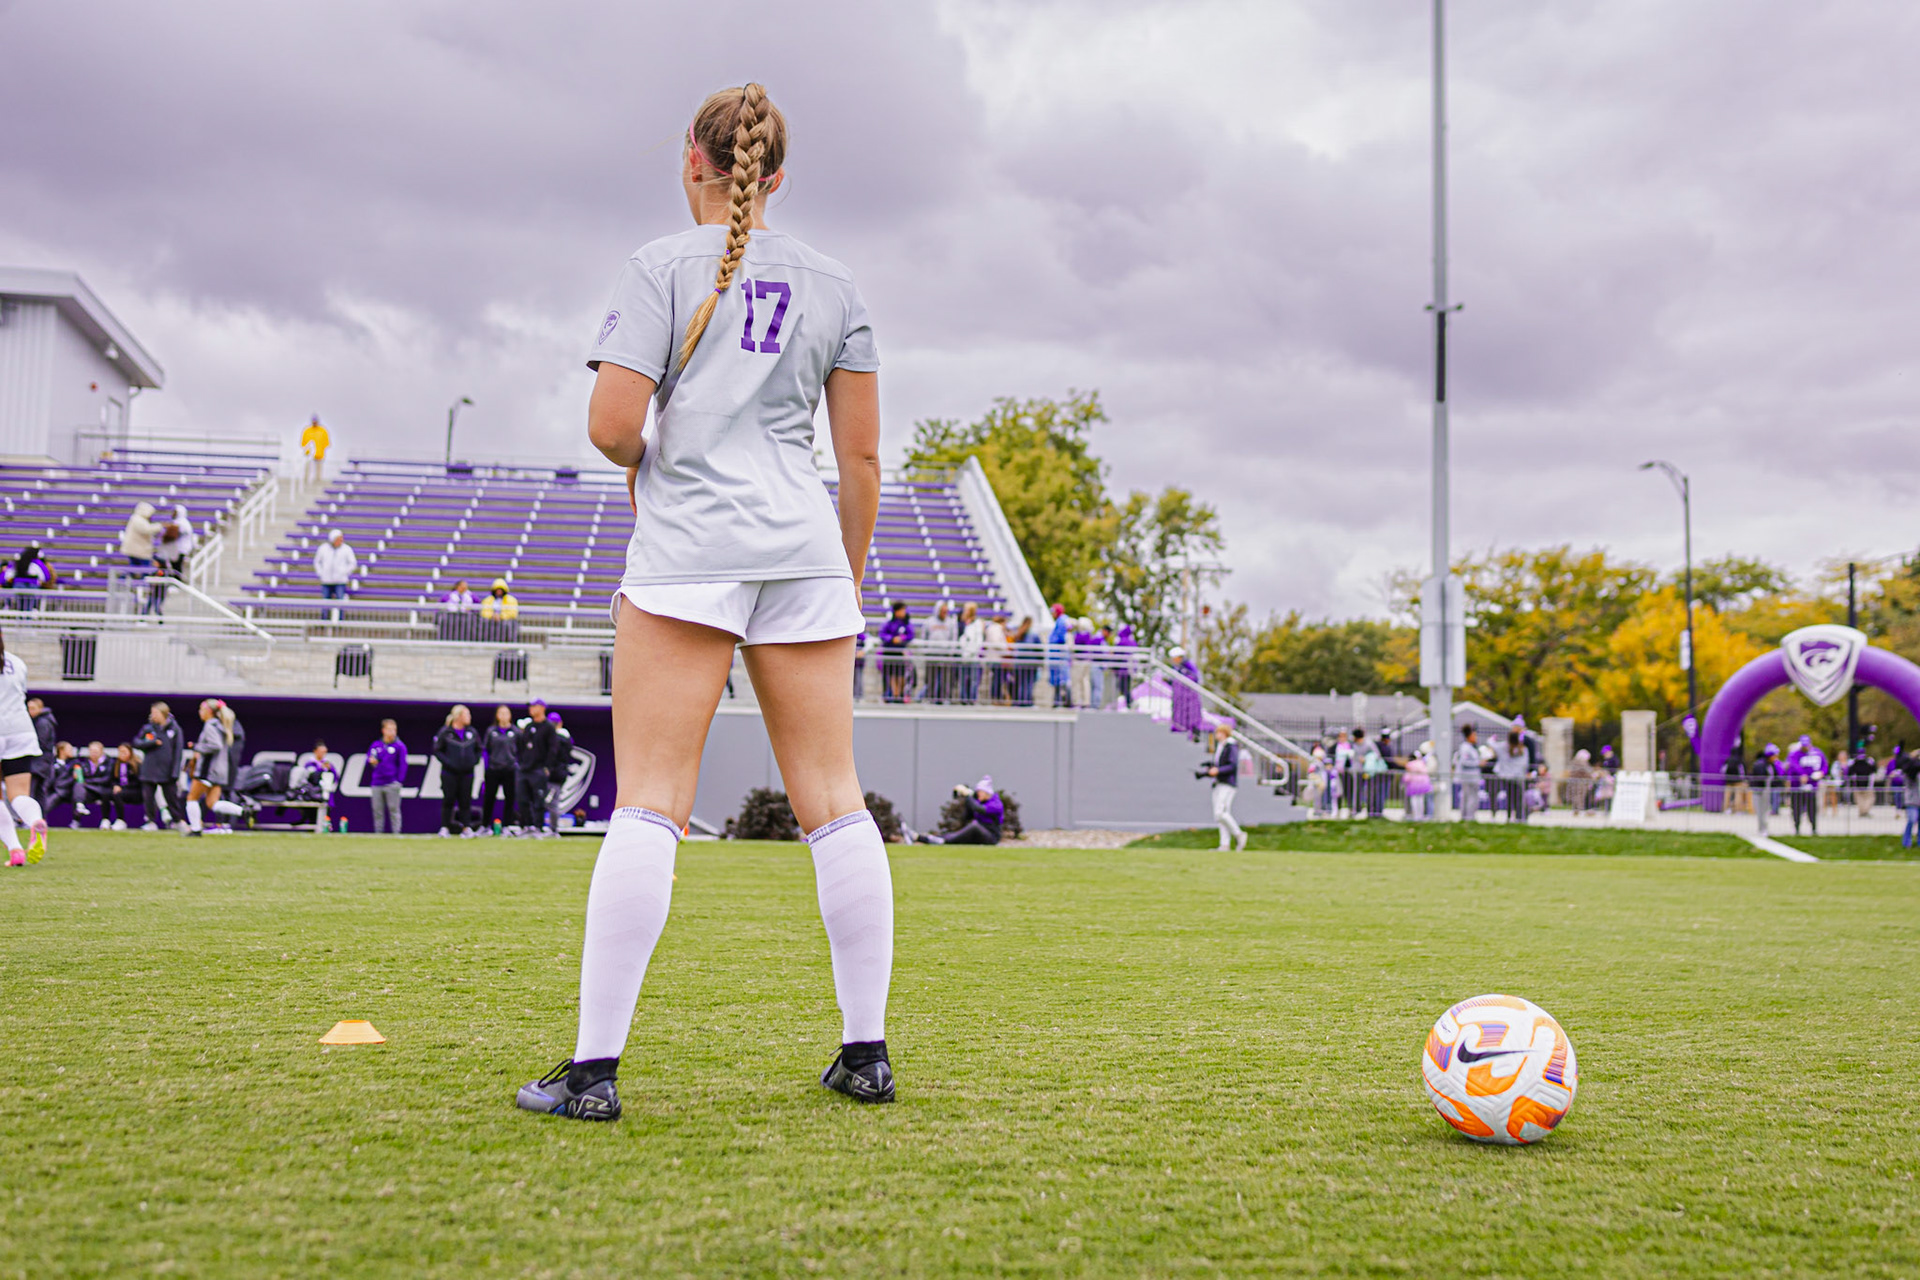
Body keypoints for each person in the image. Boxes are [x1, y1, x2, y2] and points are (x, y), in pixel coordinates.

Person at [515, 83, 894, 1122]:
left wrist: (654, 459)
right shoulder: (837, 282)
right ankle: (866, 1053)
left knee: (650, 801)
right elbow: (858, 457)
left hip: (689, 549)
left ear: (692, 158)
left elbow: (608, 423)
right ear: (777, 174)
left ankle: (594, 1070)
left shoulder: (658, 267)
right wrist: (843, 575)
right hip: (805, 552)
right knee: (836, 799)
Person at [0, 629, 49, 865]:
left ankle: (15, 848)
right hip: (21, 731)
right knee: (19, 793)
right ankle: (35, 821)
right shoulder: (17, 663)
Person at [183, 699, 237, 837]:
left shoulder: (210, 726)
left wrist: (197, 747)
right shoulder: (219, 725)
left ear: (209, 711)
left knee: (191, 798)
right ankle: (244, 811)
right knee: (212, 803)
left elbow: (215, 745)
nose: (199, 712)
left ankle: (195, 829)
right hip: (217, 771)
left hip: (208, 770)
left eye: (201, 709)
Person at [133, 701, 184, 830]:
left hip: (167, 771)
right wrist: (151, 743)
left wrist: (175, 772)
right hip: (149, 770)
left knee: (171, 798)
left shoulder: (175, 729)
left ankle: (177, 821)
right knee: (148, 797)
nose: (152, 715)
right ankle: (150, 821)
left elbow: (178, 752)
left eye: (155, 713)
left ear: (163, 713)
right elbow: (137, 742)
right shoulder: (148, 728)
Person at [513, 699, 562, 837]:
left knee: (539, 800)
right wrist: (522, 763)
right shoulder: (529, 727)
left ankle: (538, 827)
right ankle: (526, 826)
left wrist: (547, 767)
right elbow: (522, 747)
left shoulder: (549, 727)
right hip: (525, 769)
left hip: (539, 769)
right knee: (522, 799)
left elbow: (553, 749)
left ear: (542, 708)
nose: (531, 709)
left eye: (534, 706)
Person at [914, 777, 1005, 845]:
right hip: (979, 834)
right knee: (954, 834)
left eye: (980, 791)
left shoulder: (996, 804)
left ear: (986, 792)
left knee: (974, 826)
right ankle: (922, 838)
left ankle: (943, 841)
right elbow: (967, 816)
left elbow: (980, 809)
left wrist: (968, 796)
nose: (978, 794)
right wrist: (967, 798)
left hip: (991, 837)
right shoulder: (978, 801)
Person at [433, 705, 479, 836]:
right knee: (448, 800)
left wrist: (473, 762)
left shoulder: (472, 733)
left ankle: (466, 827)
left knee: (466, 801)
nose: (469, 717)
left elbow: (479, 749)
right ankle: (445, 827)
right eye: (467, 714)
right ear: (458, 716)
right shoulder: (446, 733)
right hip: (449, 773)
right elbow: (437, 750)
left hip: (467, 773)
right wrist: (449, 763)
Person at [1204, 724, 1247, 851]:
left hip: (1227, 783)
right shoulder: (1221, 747)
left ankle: (1239, 834)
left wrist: (1218, 770)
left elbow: (1232, 765)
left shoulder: (1230, 746)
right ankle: (1224, 844)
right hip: (1218, 783)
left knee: (1220, 812)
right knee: (1221, 815)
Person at [479, 705, 519, 832]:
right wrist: (487, 767)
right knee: (489, 798)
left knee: (510, 798)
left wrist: (515, 764)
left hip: (510, 770)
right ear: (497, 715)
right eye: (501, 713)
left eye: (506, 713)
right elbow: (486, 750)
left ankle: (507, 826)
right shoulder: (491, 731)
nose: (503, 716)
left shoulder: (515, 732)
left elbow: (521, 751)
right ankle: (485, 826)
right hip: (493, 769)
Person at [150, 506, 195, 615]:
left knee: (177, 566)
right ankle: (174, 583)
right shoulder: (178, 522)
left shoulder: (182, 523)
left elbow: (175, 533)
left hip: (181, 548)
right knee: (174, 565)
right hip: (176, 549)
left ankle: (177, 583)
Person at [366, 718, 408, 835]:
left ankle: (396, 834)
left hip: (392, 783)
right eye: (390, 730)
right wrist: (372, 761)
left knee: (394, 810)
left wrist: (399, 781)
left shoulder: (399, 746)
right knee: (377, 811)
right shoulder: (376, 745)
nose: (392, 733)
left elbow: (403, 765)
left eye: (394, 730)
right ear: (383, 730)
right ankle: (378, 834)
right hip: (377, 783)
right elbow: (369, 758)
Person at [293, 741, 342, 828]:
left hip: (324, 796)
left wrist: (330, 770)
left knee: (325, 819)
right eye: (321, 751)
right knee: (312, 819)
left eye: (325, 752)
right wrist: (319, 770)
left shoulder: (328, 764)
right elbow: (306, 779)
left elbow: (335, 779)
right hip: (312, 795)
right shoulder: (309, 764)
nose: (323, 754)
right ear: (315, 751)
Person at [1785, 734, 1825, 836]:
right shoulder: (1794, 754)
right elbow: (1793, 766)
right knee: (1797, 809)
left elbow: (1824, 766)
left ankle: (1814, 828)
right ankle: (1797, 828)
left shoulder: (1817, 753)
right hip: (1797, 787)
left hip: (1812, 787)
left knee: (1812, 809)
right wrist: (1801, 774)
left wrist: (1821, 773)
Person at [313, 529, 357, 618]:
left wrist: (344, 572)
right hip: (326, 580)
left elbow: (352, 563)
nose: (340, 541)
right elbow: (317, 562)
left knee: (340, 602)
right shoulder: (323, 548)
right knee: (325, 602)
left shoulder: (346, 549)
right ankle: (324, 620)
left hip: (340, 581)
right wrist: (321, 573)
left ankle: (340, 620)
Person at [1492, 727, 1532, 823]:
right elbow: (1525, 764)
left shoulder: (1504, 748)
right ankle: (1519, 817)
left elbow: (1492, 744)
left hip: (1508, 778)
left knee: (1510, 799)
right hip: (1518, 778)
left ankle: (1510, 817)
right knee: (1518, 798)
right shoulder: (1523, 750)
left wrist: (1493, 739)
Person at [1, 543, 54, 612]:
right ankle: (27, 620)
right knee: (29, 606)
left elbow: (6, 575)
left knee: (20, 606)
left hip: (18, 584)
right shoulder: (37, 562)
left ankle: (20, 619)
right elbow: (46, 576)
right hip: (32, 585)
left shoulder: (18, 561)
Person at [878, 601, 912, 704]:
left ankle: (899, 696)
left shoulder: (906, 624)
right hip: (889, 653)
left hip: (900, 653)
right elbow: (882, 634)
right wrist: (892, 639)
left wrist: (902, 638)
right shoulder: (889, 623)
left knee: (900, 676)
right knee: (889, 675)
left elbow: (910, 635)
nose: (904, 612)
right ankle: (890, 695)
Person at [26, 696, 56, 810]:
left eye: (32, 708)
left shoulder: (43, 722)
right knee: (39, 792)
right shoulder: (45, 721)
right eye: (28, 708)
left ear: (40, 708)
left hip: (38, 763)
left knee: (33, 791)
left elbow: (40, 742)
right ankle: (40, 819)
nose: (30, 711)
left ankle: (31, 818)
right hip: (42, 762)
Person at [924, 600, 956, 703]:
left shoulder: (951, 622)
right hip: (932, 654)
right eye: (942, 611)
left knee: (945, 679)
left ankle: (944, 698)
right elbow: (924, 636)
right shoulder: (929, 622)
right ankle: (931, 698)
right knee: (931, 678)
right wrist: (926, 650)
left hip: (945, 654)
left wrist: (951, 652)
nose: (944, 613)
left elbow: (953, 638)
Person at [1168, 646, 1203, 740]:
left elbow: (1195, 678)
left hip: (1190, 697)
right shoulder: (1176, 667)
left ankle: (1193, 732)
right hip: (1180, 698)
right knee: (1179, 712)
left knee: (1191, 714)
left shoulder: (1189, 666)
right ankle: (1178, 726)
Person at [956, 602, 985, 705]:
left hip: (973, 656)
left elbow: (978, 641)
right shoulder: (962, 623)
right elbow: (962, 639)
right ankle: (964, 699)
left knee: (973, 680)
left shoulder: (977, 623)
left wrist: (971, 651)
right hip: (964, 656)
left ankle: (972, 699)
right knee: (963, 679)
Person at [1454, 725, 1483, 821]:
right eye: (1474, 735)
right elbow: (1464, 762)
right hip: (1468, 778)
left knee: (1471, 798)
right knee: (1469, 798)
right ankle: (1468, 817)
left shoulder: (1471, 747)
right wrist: (1478, 763)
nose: (1476, 737)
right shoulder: (1465, 748)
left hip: (1473, 778)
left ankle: (1469, 816)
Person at [1047, 605, 1071, 706]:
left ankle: (1063, 701)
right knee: (1058, 680)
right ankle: (1058, 701)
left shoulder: (1062, 621)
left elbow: (1060, 638)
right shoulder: (1060, 621)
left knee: (1061, 679)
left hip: (1059, 655)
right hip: (1056, 655)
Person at [983, 613, 1009, 704]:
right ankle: (995, 698)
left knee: (996, 679)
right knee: (997, 680)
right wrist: (1005, 647)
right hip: (995, 658)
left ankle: (996, 697)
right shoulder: (996, 629)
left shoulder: (991, 628)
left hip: (993, 657)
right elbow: (996, 642)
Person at [1403, 741, 1434, 820]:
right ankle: (1420, 815)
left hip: (1413, 786)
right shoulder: (1421, 764)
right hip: (1423, 786)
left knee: (1414, 801)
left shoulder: (1410, 765)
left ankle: (1416, 815)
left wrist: (1405, 780)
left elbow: (1407, 777)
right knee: (1421, 801)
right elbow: (1426, 772)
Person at [1846, 742, 1877, 817]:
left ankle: (1863, 811)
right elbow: (1874, 770)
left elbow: (1849, 772)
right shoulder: (1868, 761)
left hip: (1859, 784)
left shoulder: (1854, 762)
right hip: (1866, 784)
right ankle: (1864, 811)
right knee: (1868, 798)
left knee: (1861, 799)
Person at [300, 414, 331, 486]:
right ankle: (305, 480)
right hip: (308, 454)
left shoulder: (323, 431)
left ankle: (318, 481)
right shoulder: (307, 430)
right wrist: (307, 450)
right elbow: (303, 442)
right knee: (307, 467)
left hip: (319, 454)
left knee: (318, 468)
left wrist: (321, 449)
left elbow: (326, 443)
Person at [1113, 624, 1137, 709]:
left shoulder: (1122, 641)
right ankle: (1129, 703)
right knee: (1126, 687)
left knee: (1123, 687)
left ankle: (1130, 703)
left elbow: (1117, 655)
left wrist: (1114, 667)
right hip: (1130, 668)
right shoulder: (1132, 641)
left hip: (1123, 669)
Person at [1900, 749, 1920, 848]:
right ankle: (1906, 842)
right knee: (1912, 819)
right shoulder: (1910, 770)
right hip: (1912, 801)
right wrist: (1915, 755)